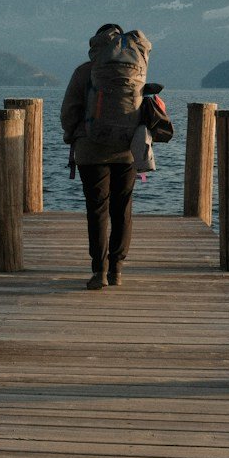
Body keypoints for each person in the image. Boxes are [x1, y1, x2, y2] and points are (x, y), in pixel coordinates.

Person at [60, 23, 152, 290]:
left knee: (97, 210)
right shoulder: (137, 70)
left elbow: (69, 111)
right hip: (127, 150)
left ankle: (99, 271)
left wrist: (73, 137)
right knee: (122, 210)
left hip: (91, 150)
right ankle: (117, 270)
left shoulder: (85, 72)